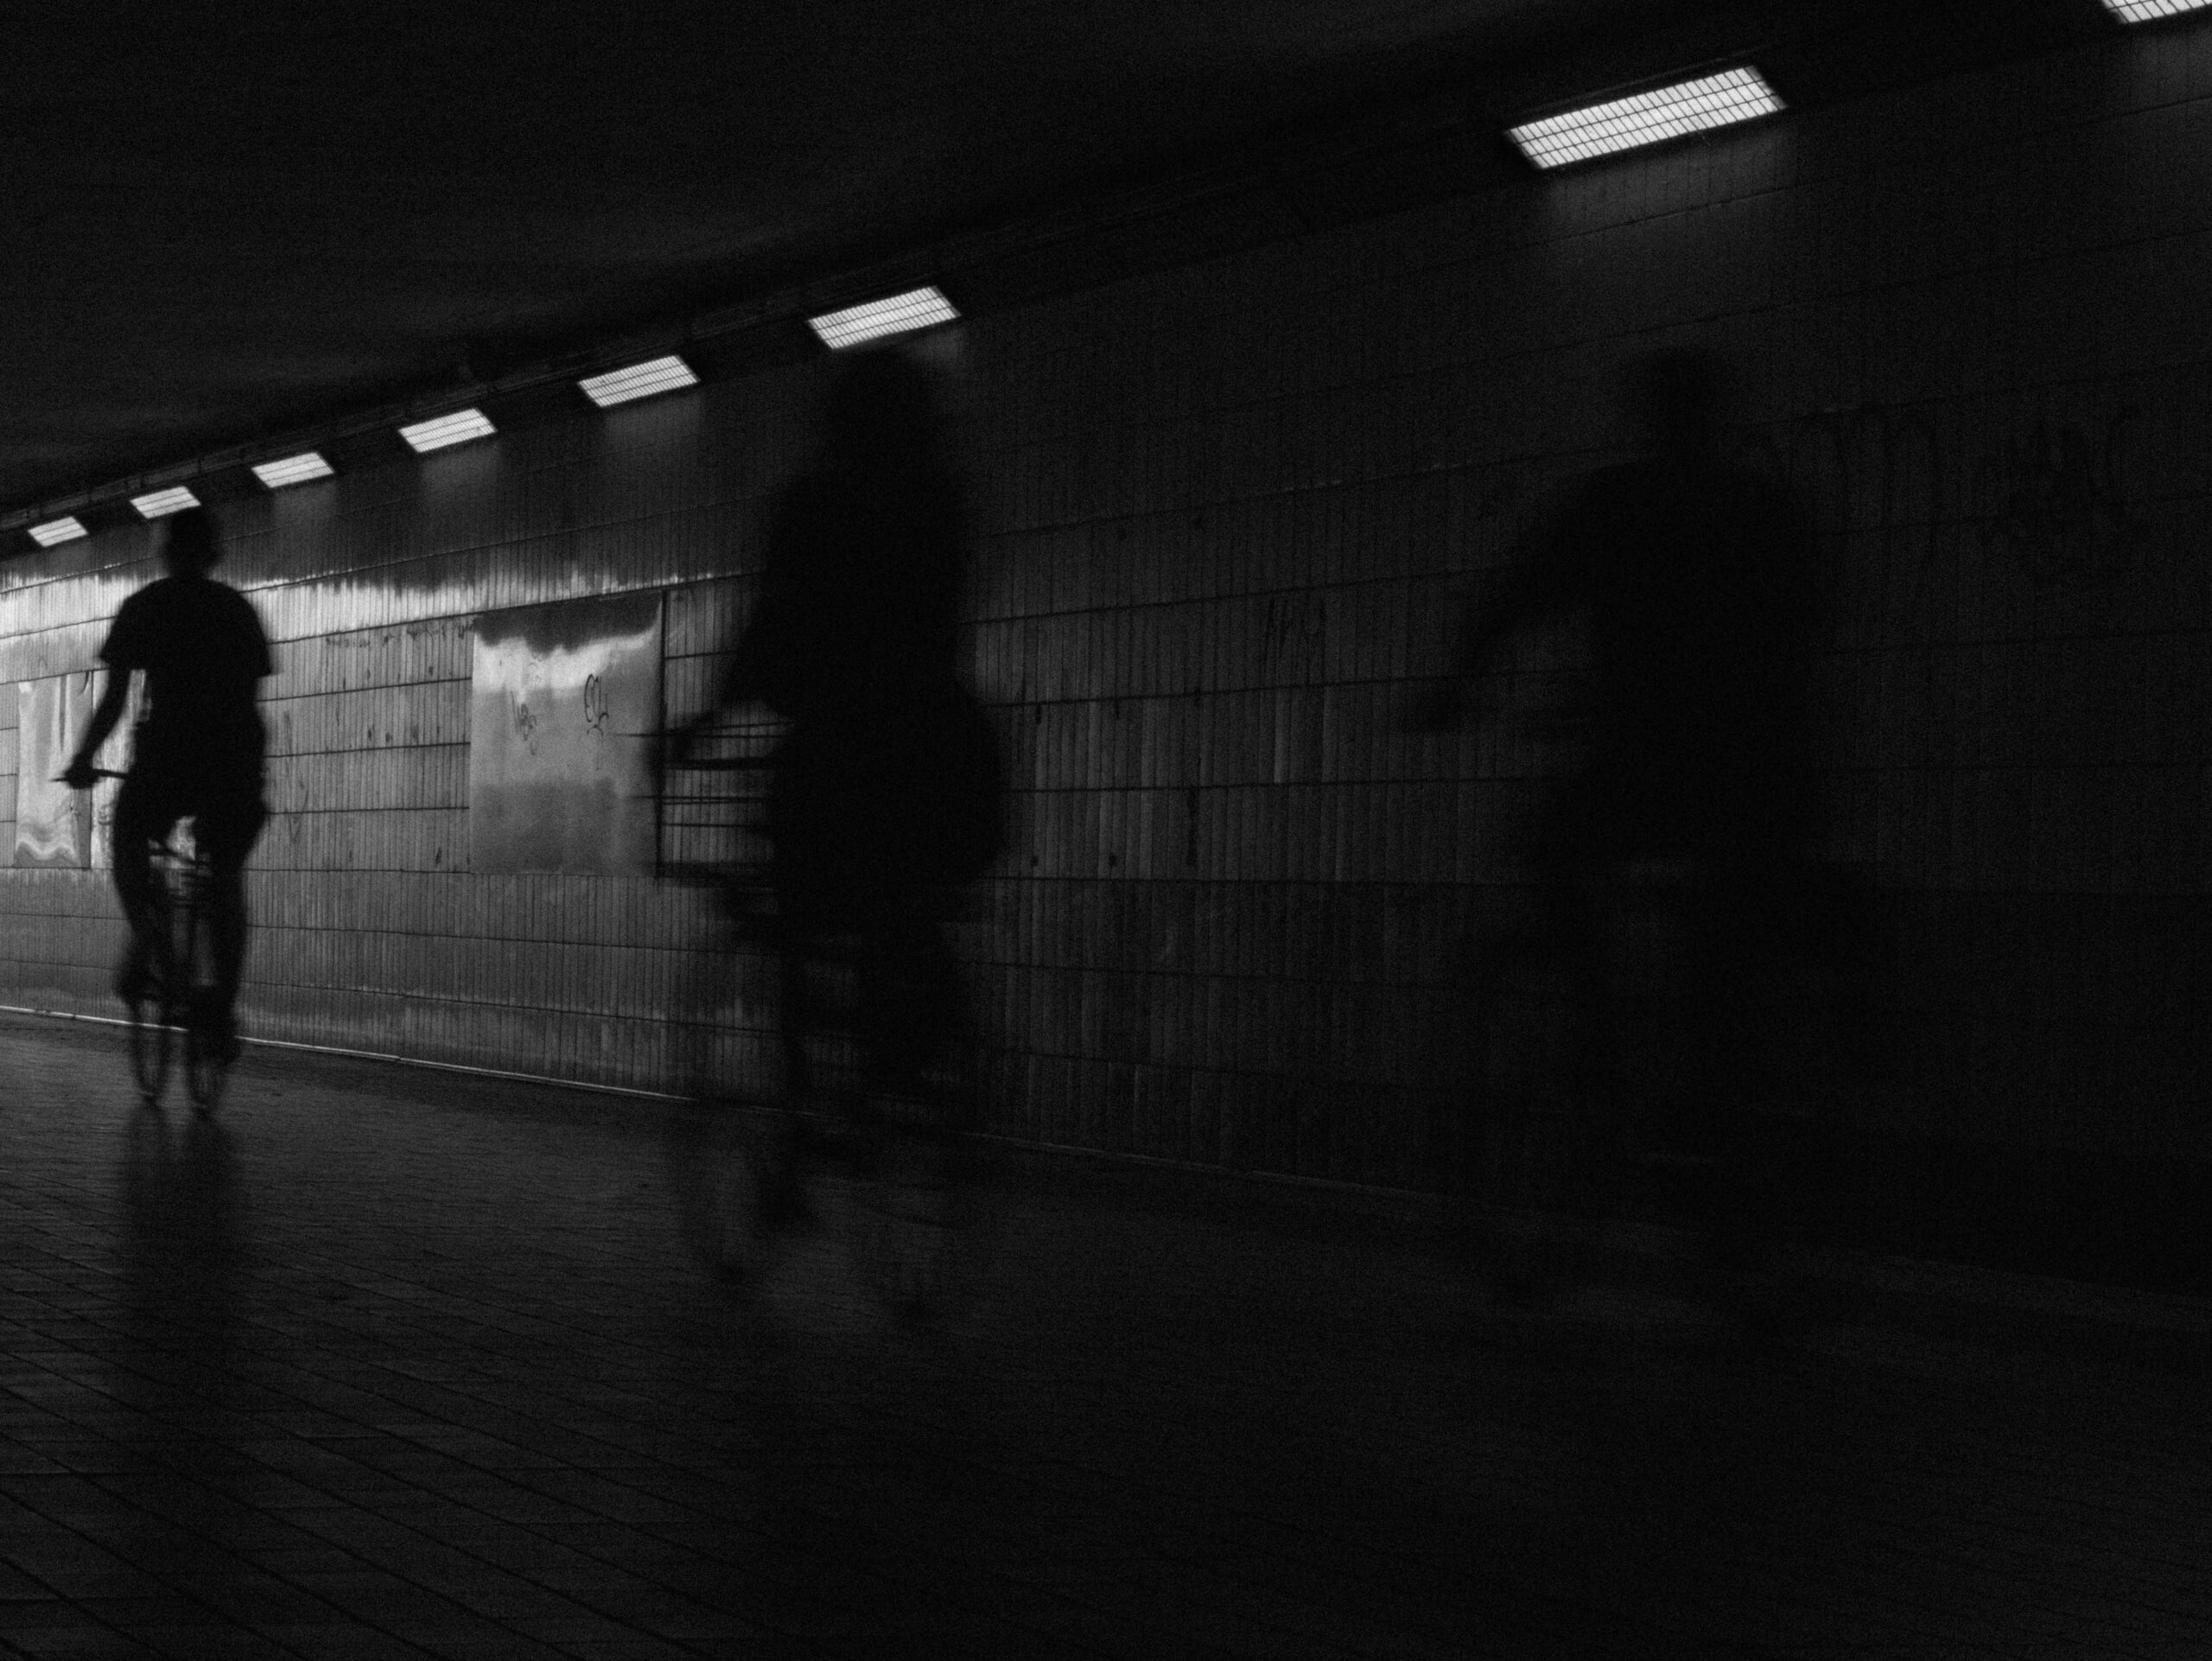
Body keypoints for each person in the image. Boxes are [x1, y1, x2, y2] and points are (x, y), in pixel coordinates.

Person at [1416, 347, 1826, 1315]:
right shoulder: (1764, 510)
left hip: (1646, 768)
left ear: (1648, 421)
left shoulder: (1615, 505)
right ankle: (1721, 1188)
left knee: (1553, 854)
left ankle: (1598, 1048)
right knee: (1721, 959)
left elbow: (1517, 594)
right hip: (1754, 777)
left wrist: (1456, 686)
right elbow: (1809, 628)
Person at [682, 345, 1003, 1177]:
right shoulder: (938, 500)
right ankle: (902, 1059)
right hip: (942, 755)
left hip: (837, 752)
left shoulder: (814, 504)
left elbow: (769, 626)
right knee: (906, 901)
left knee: (796, 907)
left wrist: (707, 723)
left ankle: (799, 1123)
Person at [62, 507, 274, 1063]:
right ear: (215, 554)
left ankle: (152, 942)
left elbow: (114, 700)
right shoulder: (236, 610)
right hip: (232, 760)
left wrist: (84, 758)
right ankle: (220, 1007)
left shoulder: (145, 607)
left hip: (167, 758)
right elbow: (249, 703)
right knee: (225, 877)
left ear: (166, 553)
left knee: (128, 839)